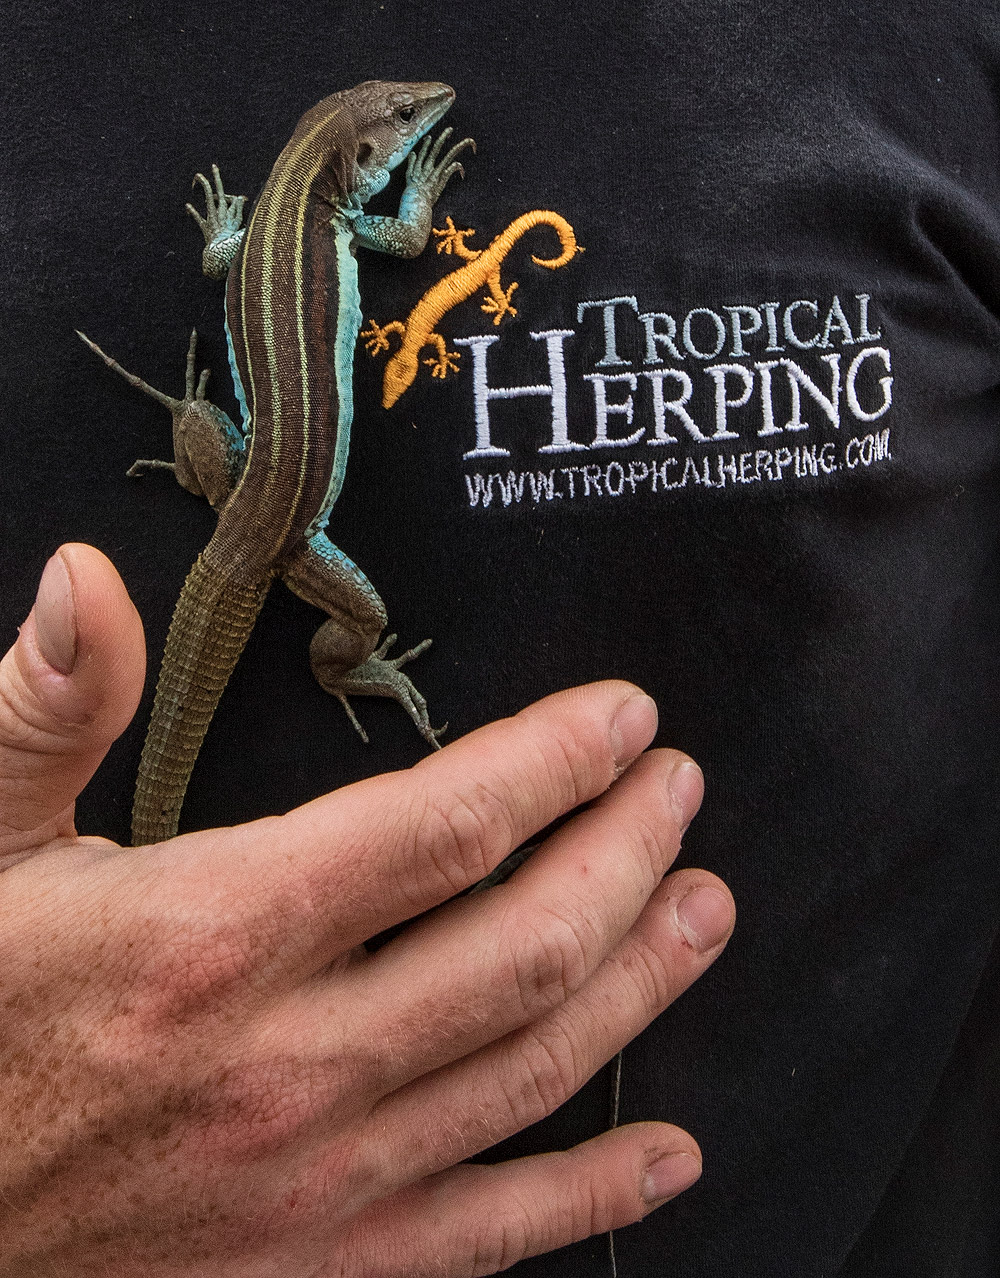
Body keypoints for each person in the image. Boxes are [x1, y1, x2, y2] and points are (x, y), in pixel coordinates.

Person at [2, 2, 998, 1275]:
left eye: (414, 122)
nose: (424, 115)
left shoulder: (936, 47)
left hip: (245, 487)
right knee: (336, 614)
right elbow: (408, 231)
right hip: (284, 528)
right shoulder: (351, 215)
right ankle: (350, 660)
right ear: (358, 156)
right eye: (402, 125)